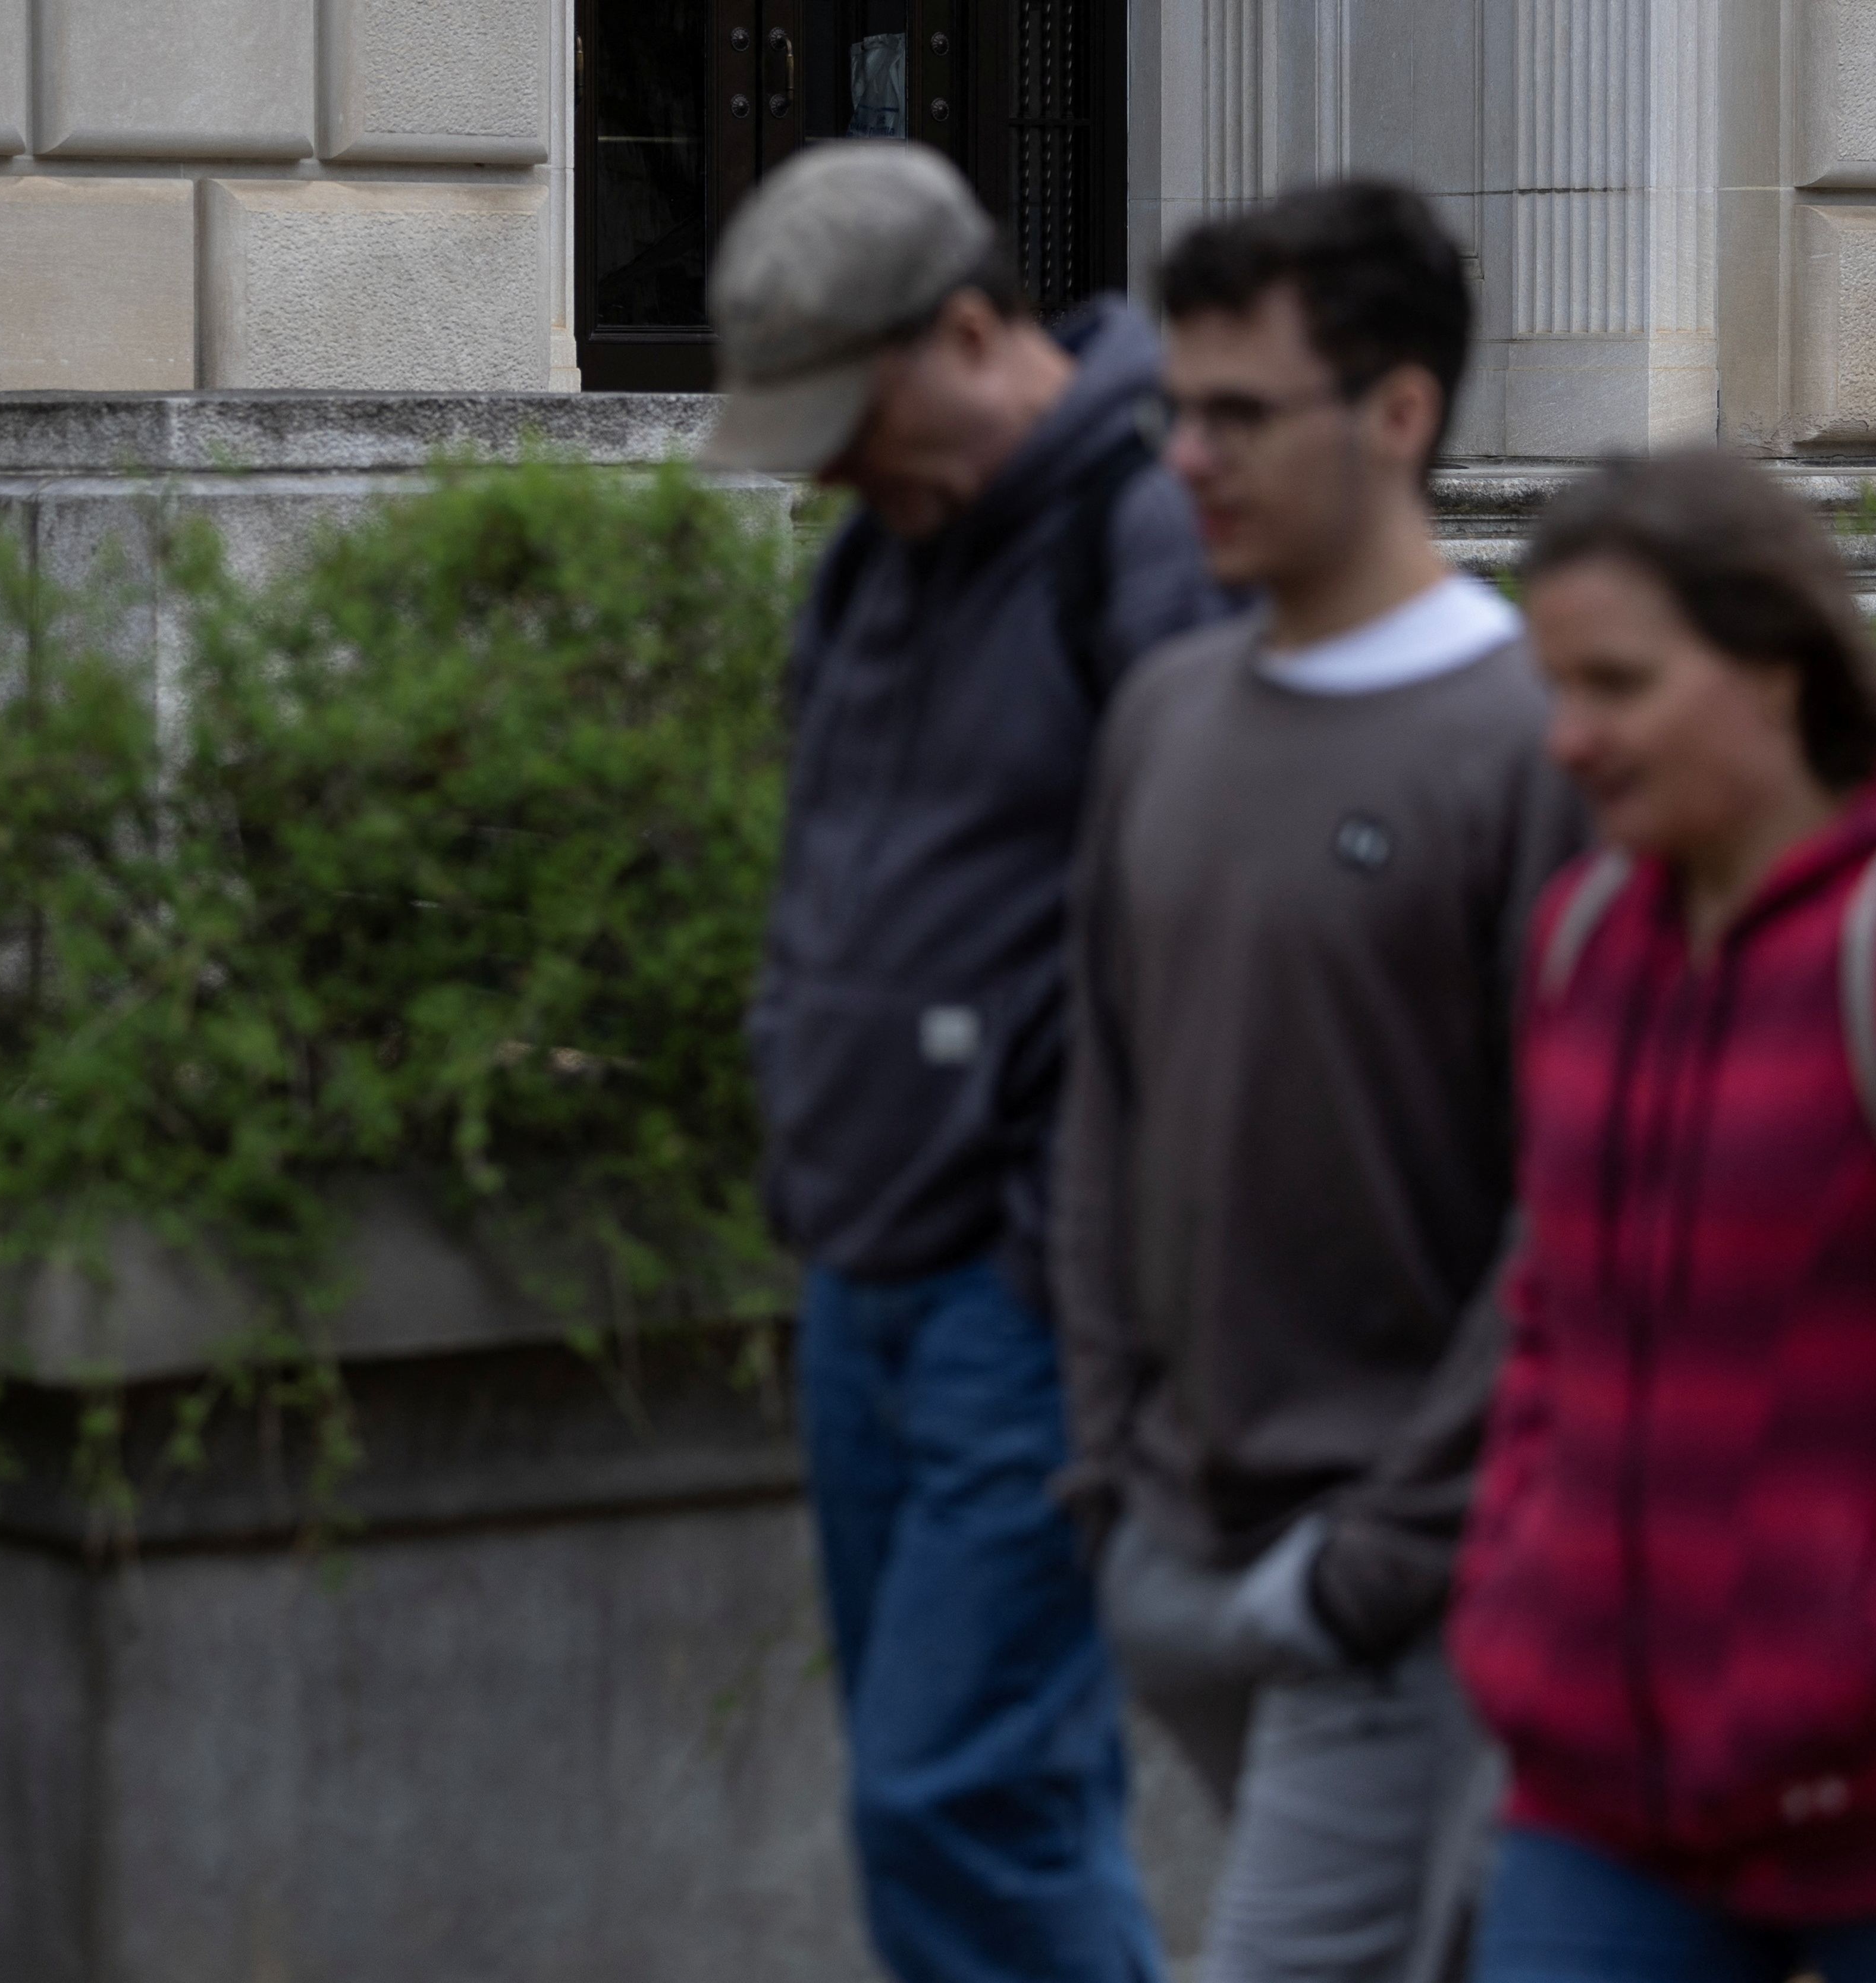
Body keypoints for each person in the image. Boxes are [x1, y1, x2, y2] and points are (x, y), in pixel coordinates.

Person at [1450, 449, 1876, 1983]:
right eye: (1554, 686)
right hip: (1612, 1791)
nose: (1568, 740)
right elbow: (1552, 1320)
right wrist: (1511, 1602)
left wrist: (1865, 1666)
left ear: (1772, 672)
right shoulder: (1581, 940)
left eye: (1618, 685)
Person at [706, 142, 1235, 1983]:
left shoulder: (1154, 525)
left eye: (851, 412)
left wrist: (1046, 1251)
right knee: (987, 1781)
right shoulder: (885, 545)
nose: (834, 463)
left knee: (949, 1793)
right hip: (868, 1269)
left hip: (1035, 1294)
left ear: (971, 330)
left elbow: (1197, 944)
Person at [1052, 180, 1590, 1983]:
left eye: (1239, 415)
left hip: (1400, 1585)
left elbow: (1576, 1202)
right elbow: (1103, 1103)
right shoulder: (1164, 715)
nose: (1186, 457)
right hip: (1175, 1554)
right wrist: (1108, 1465)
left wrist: (1388, 1553)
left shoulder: (1535, 743)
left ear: (1401, 414)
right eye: (1171, 414)